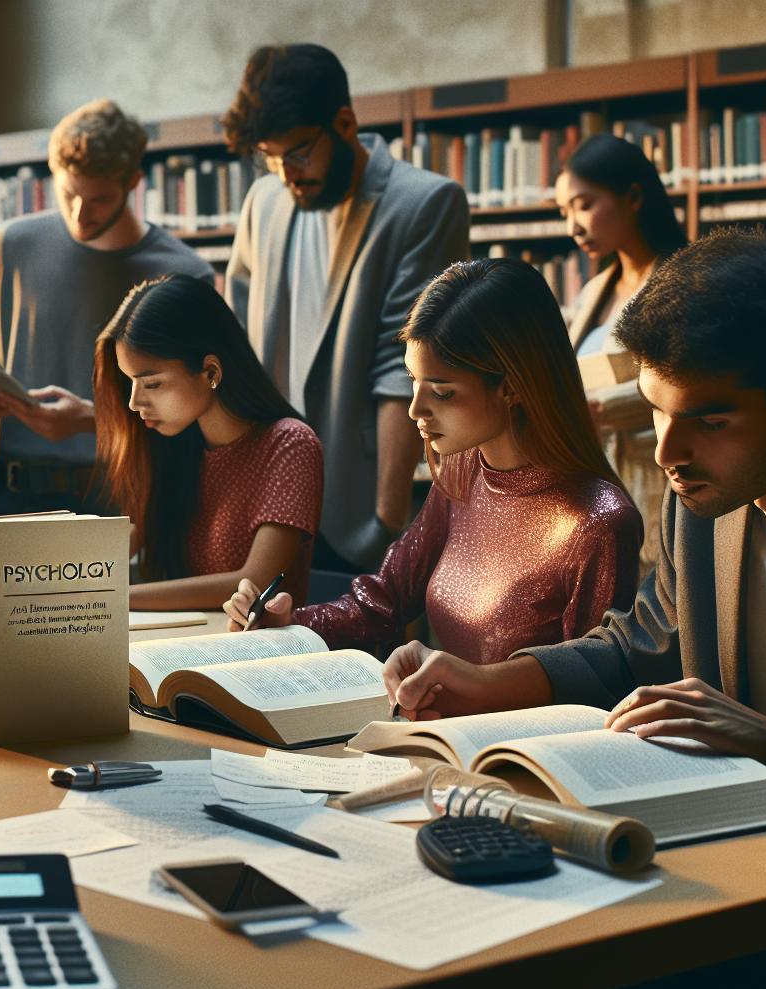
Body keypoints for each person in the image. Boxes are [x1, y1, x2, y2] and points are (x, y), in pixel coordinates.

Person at [386, 236, 766, 981]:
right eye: (656, 413)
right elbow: (639, 645)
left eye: (709, 421)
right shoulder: (704, 502)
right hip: (738, 881)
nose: (667, 453)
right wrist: (487, 682)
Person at [223, 258, 641, 667]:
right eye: (412, 382)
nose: (414, 411)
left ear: (512, 387)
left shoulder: (600, 523)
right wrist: (291, 624)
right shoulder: (462, 468)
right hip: (436, 722)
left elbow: (588, 690)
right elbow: (385, 597)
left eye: (441, 393)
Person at [222, 43, 469, 572]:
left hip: (354, 508)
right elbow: (235, 340)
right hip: (262, 500)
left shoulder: (424, 204)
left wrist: (386, 518)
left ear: (345, 122)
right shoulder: (263, 202)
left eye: (298, 152)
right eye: (270, 157)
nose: (285, 172)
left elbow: (401, 365)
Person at [0, 98, 213, 516]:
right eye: (68, 193)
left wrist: (91, 420)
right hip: (5, 491)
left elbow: (198, 414)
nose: (80, 213)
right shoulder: (11, 247)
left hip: (118, 492)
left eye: (98, 199)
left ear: (133, 182)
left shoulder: (184, 274)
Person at [92, 275, 322, 610]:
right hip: (185, 643)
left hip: (257, 652)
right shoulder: (176, 444)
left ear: (211, 372)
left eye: (152, 384)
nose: (134, 402)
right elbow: (125, 544)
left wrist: (111, 598)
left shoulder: (290, 444)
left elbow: (253, 583)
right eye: (130, 383)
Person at [556, 133, 688, 569]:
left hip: (661, 485)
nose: (572, 226)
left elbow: (692, 383)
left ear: (633, 196)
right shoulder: (594, 290)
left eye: (584, 205)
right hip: (600, 487)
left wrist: (602, 410)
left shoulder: (685, 280)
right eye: (564, 212)